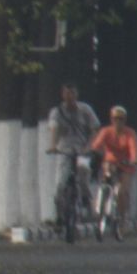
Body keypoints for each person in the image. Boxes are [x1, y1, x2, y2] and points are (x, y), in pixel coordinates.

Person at [47, 83, 100, 224]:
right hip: (64, 150)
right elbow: (54, 128)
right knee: (60, 184)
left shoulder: (85, 110)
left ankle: (85, 201)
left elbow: (95, 129)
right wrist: (53, 146)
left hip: (83, 150)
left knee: (83, 175)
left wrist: (89, 146)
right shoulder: (56, 111)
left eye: (72, 93)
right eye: (67, 93)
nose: (70, 96)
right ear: (62, 94)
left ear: (77, 95)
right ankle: (59, 216)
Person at [88, 105, 137, 225]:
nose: (118, 121)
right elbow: (97, 144)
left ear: (125, 120)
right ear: (111, 119)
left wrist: (134, 159)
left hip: (126, 165)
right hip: (110, 162)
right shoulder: (106, 131)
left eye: (121, 119)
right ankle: (102, 202)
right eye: (115, 118)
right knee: (105, 179)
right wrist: (93, 150)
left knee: (122, 191)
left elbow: (133, 148)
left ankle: (122, 218)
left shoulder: (130, 133)